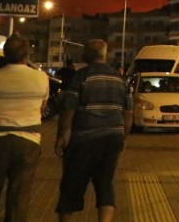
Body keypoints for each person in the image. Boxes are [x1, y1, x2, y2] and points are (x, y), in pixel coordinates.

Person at [0, 34, 49, 222]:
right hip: (28, 142)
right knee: (19, 198)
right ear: (27, 54)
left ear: (5, 54)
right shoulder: (40, 78)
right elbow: (42, 106)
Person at [55, 39, 131, 222]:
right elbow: (129, 113)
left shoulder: (81, 76)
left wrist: (61, 136)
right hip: (113, 138)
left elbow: (69, 109)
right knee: (105, 183)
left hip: (84, 139)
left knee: (71, 186)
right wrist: (123, 138)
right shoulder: (120, 78)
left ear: (85, 55)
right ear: (104, 55)